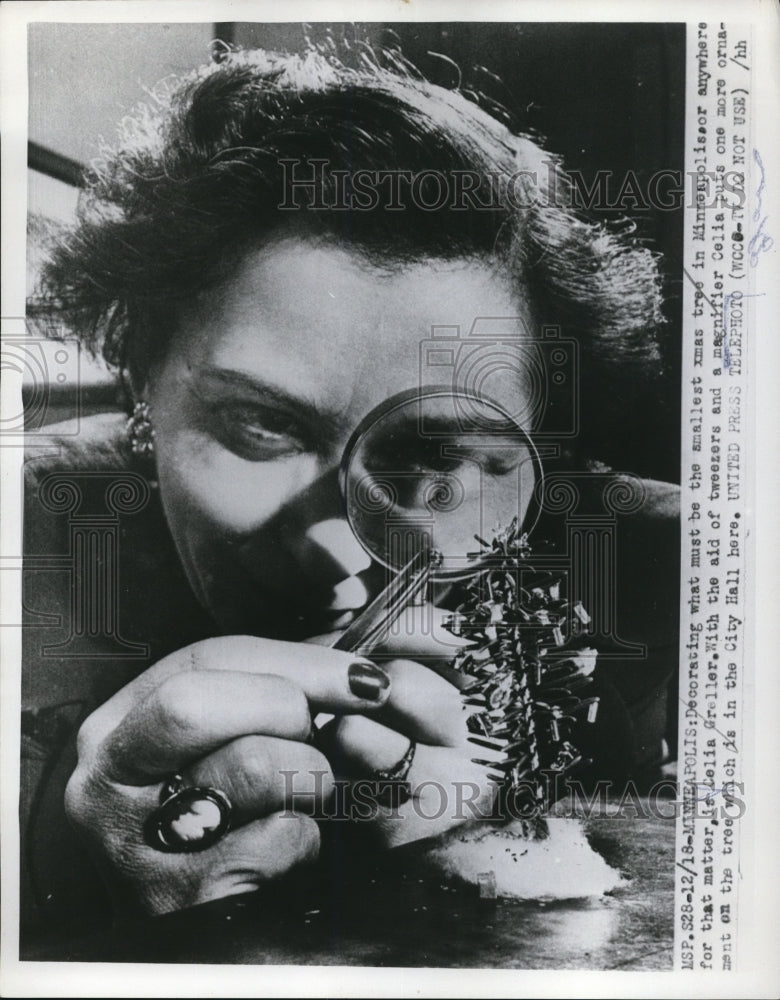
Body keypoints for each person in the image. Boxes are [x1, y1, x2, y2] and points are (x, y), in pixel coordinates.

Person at [21, 44, 679, 940]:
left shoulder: (681, 574)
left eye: (430, 463)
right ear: (142, 377)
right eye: (261, 427)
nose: (335, 550)